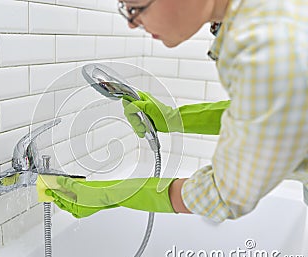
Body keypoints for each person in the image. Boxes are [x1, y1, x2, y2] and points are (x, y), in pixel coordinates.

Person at [38, 0, 308, 222]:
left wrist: (111, 194)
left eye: (135, 6)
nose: (132, 23)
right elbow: (266, 113)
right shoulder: (269, 17)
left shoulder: (270, 46)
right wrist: (172, 119)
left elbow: (223, 196)